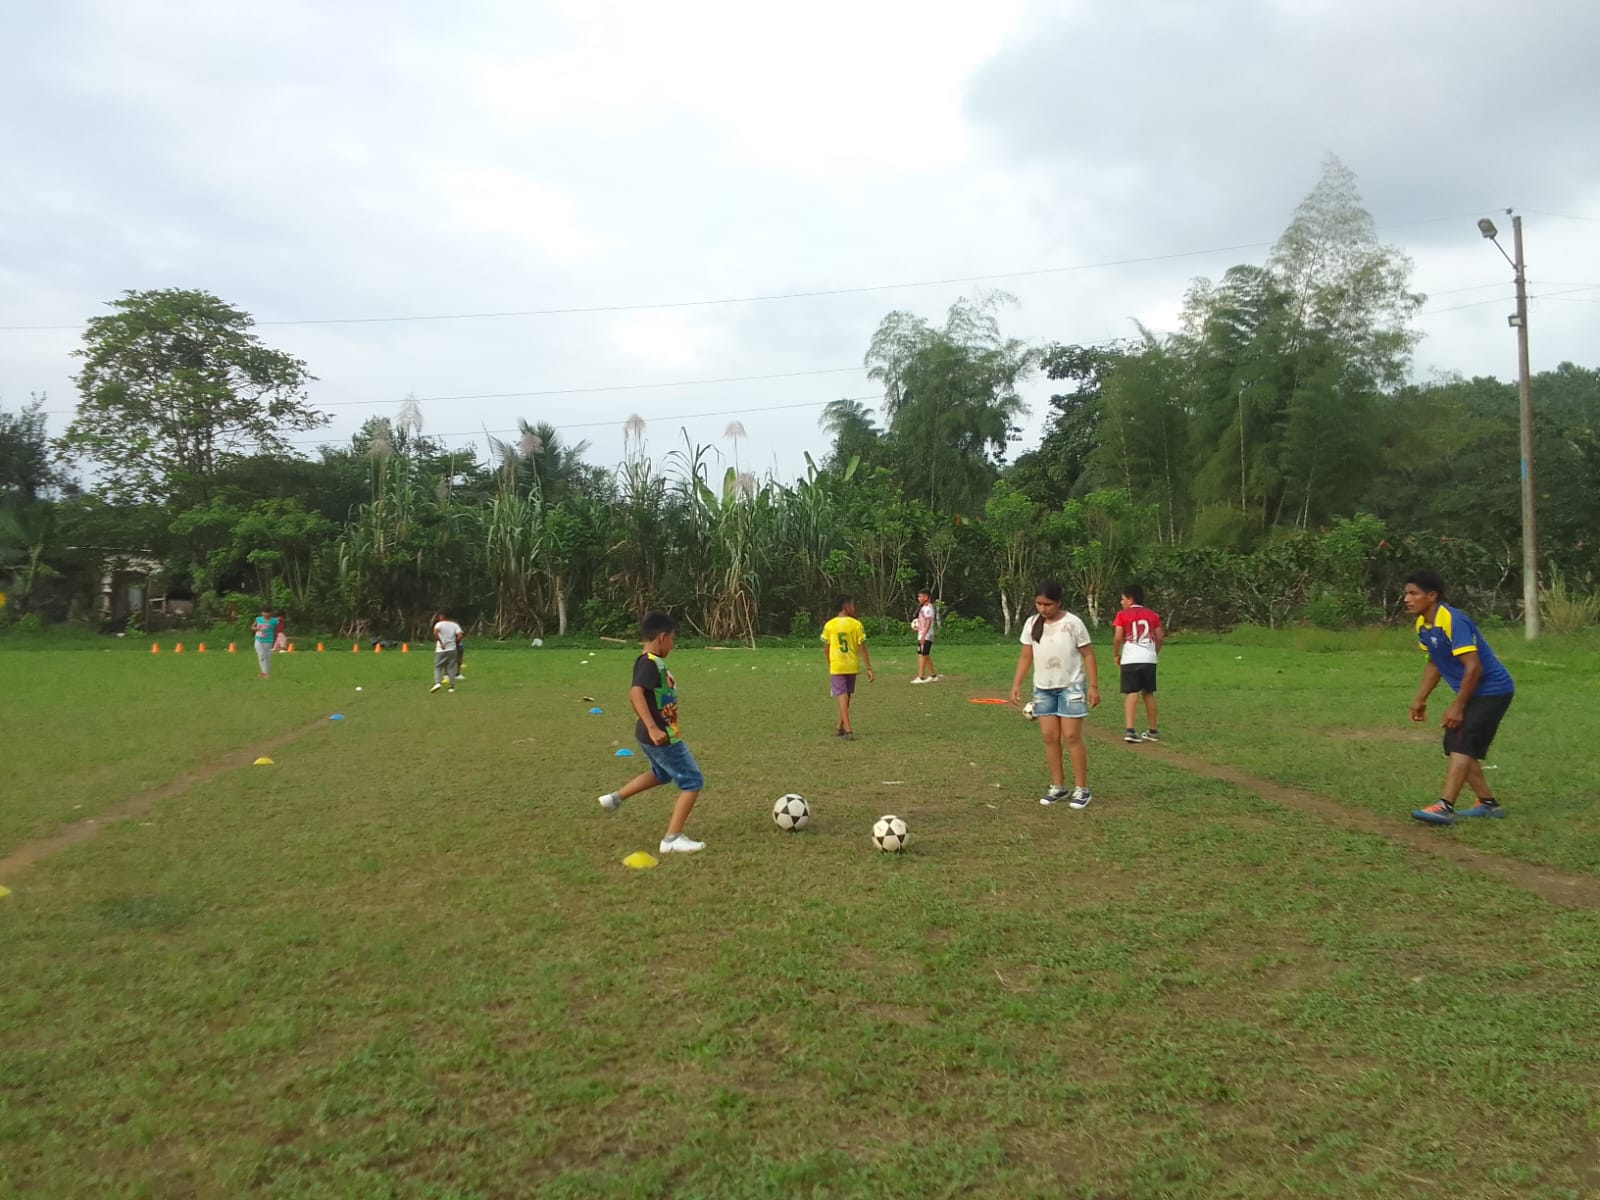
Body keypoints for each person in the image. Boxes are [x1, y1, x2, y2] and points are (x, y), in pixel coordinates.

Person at [1403, 569, 1515, 825]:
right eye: (1406, 593)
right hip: (1475, 691)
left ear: (1432, 596)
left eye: (1413, 593)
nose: (1407, 599)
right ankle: (1487, 804)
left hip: (1492, 690)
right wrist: (1420, 698)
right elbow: (1435, 661)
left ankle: (1445, 806)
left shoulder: (1453, 620)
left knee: (1461, 743)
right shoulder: (1423, 624)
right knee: (1455, 742)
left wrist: (1457, 707)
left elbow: (1474, 667)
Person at [597, 611, 706, 854]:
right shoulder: (649, 662)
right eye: (672, 639)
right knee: (692, 781)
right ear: (662, 637)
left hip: (651, 735)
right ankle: (672, 839)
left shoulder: (648, 661)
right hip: (660, 736)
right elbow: (635, 693)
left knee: (661, 773)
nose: (673, 645)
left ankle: (615, 798)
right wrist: (653, 727)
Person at [1009, 581, 1100, 808]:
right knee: (1049, 737)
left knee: (1071, 737)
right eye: (1039, 604)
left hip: (1071, 687)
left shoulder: (1073, 623)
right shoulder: (1032, 623)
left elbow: (1088, 655)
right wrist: (1016, 684)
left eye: (1047, 604)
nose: (1043, 608)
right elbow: (1026, 656)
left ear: (1058, 602)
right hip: (1043, 688)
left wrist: (1093, 686)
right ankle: (1058, 786)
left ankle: (1082, 789)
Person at [1111, 584, 1163, 743]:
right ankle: (1152, 731)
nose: (1121, 602)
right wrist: (1154, 652)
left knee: (1132, 693)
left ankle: (1130, 730)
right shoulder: (1152, 615)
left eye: (1123, 599)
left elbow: (1118, 637)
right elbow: (1159, 636)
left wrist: (1116, 654)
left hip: (1131, 658)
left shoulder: (1122, 615)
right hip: (1149, 659)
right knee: (1148, 693)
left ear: (1130, 599)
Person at [821, 595, 875, 737]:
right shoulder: (856, 624)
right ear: (846, 606)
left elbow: (826, 648)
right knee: (846, 696)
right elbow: (862, 647)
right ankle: (840, 726)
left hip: (837, 665)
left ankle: (848, 729)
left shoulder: (829, 625)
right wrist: (868, 667)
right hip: (851, 664)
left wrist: (829, 664)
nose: (854, 608)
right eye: (852, 605)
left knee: (842, 696)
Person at [430, 609, 463, 694]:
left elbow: (435, 632)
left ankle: (437, 683)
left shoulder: (439, 624)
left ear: (442, 616)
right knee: (451, 667)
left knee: (438, 666)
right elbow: (460, 635)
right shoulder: (455, 625)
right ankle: (452, 687)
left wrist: (441, 642)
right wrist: (455, 642)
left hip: (441, 649)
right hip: (452, 649)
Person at [910, 588, 940, 683]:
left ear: (926, 597)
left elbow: (928, 622)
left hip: (926, 635)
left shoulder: (927, 608)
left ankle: (921, 677)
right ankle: (933, 676)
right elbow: (924, 623)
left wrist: (923, 635)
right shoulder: (924, 608)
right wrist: (918, 629)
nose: (918, 598)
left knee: (922, 655)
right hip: (923, 634)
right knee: (924, 655)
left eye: (920, 596)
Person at [251, 606, 280, 679]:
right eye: (264, 612)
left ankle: (265, 673)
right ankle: (264, 673)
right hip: (258, 639)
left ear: (271, 613)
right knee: (261, 655)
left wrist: (278, 639)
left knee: (267, 656)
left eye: (267, 612)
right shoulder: (258, 619)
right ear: (262, 613)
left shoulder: (274, 621)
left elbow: (279, 630)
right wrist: (256, 628)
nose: (266, 614)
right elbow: (252, 627)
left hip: (268, 640)